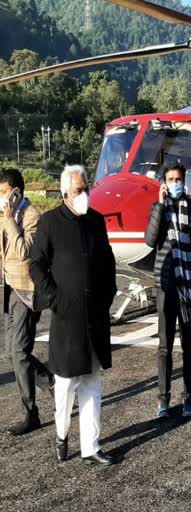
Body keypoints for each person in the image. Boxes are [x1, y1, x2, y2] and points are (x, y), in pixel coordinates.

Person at [29, 165, 118, 465]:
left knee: (93, 381)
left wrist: (107, 295)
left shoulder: (95, 221)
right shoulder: (50, 222)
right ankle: (62, 433)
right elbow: (37, 265)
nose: (85, 195)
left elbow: (107, 262)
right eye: (79, 190)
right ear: (66, 193)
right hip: (67, 319)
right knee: (66, 385)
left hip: (94, 318)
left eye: (87, 188)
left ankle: (91, 446)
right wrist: (55, 299)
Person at [145, 163, 191, 419]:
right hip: (166, 287)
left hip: (189, 288)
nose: (175, 183)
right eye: (170, 179)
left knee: (189, 346)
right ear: (164, 182)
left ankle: (188, 397)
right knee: (164, 347)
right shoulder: (158, 209)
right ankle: (163, 399)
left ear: (184, 181)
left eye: (178, 179)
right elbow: (150, 240)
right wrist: (160, 205)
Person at [1, 168, 54, 435]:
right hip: (10, 290)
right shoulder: (5, 216)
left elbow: (27, 255)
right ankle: (51, 382)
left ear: (16, 193)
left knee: (20, 353)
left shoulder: (33, 217)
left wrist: (11, 223)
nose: (0, 199)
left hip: (26, 292)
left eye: (3, 193)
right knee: (12, 353)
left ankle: (30, 413)